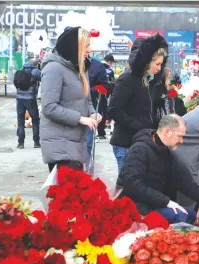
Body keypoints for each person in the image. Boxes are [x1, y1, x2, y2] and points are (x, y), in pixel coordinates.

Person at [117, 114, 199, 224]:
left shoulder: (168, 154)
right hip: (135, 206)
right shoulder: (140, 149)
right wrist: (166, 201)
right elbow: (132, 184)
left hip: (153, 203)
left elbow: (190, 186)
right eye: (180, 136)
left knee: (190, 214)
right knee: (181, 216)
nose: (181, 141)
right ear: (168, 132)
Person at [40, 26, 100, 173]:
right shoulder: (53, 68)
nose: (89, 50)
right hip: (60, 145)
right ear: (75, 47)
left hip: (77, 143)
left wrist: (92, 113)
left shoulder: (81, 68)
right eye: (86, 46)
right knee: (67, 193)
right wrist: (80, 118)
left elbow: (87, 99)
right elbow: (49, 107)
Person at [109, 34, 168, 172]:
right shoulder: (128, 79)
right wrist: (137, 126)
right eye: (157, 64)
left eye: (161, 64)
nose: (159, 68)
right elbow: (114, 109)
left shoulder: (150, 80)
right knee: (127, 187)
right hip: (125, 143)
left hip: (141, 141)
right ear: (148, 61)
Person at [14, 59, 41, 149]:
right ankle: (36, 142)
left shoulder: (21, 70)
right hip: (30, 99)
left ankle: (21, 143)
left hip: (19, 99)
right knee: (35, 119)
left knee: (20, 120)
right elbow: (44, 79)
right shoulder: (35, 71)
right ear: (36, 65)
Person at [87, 56, 110, 157]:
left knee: (87, 145)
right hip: (67, 113)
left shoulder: (97, 65)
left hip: (90, 109)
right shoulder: (65, 62)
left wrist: (94, 89)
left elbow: (104, 86)